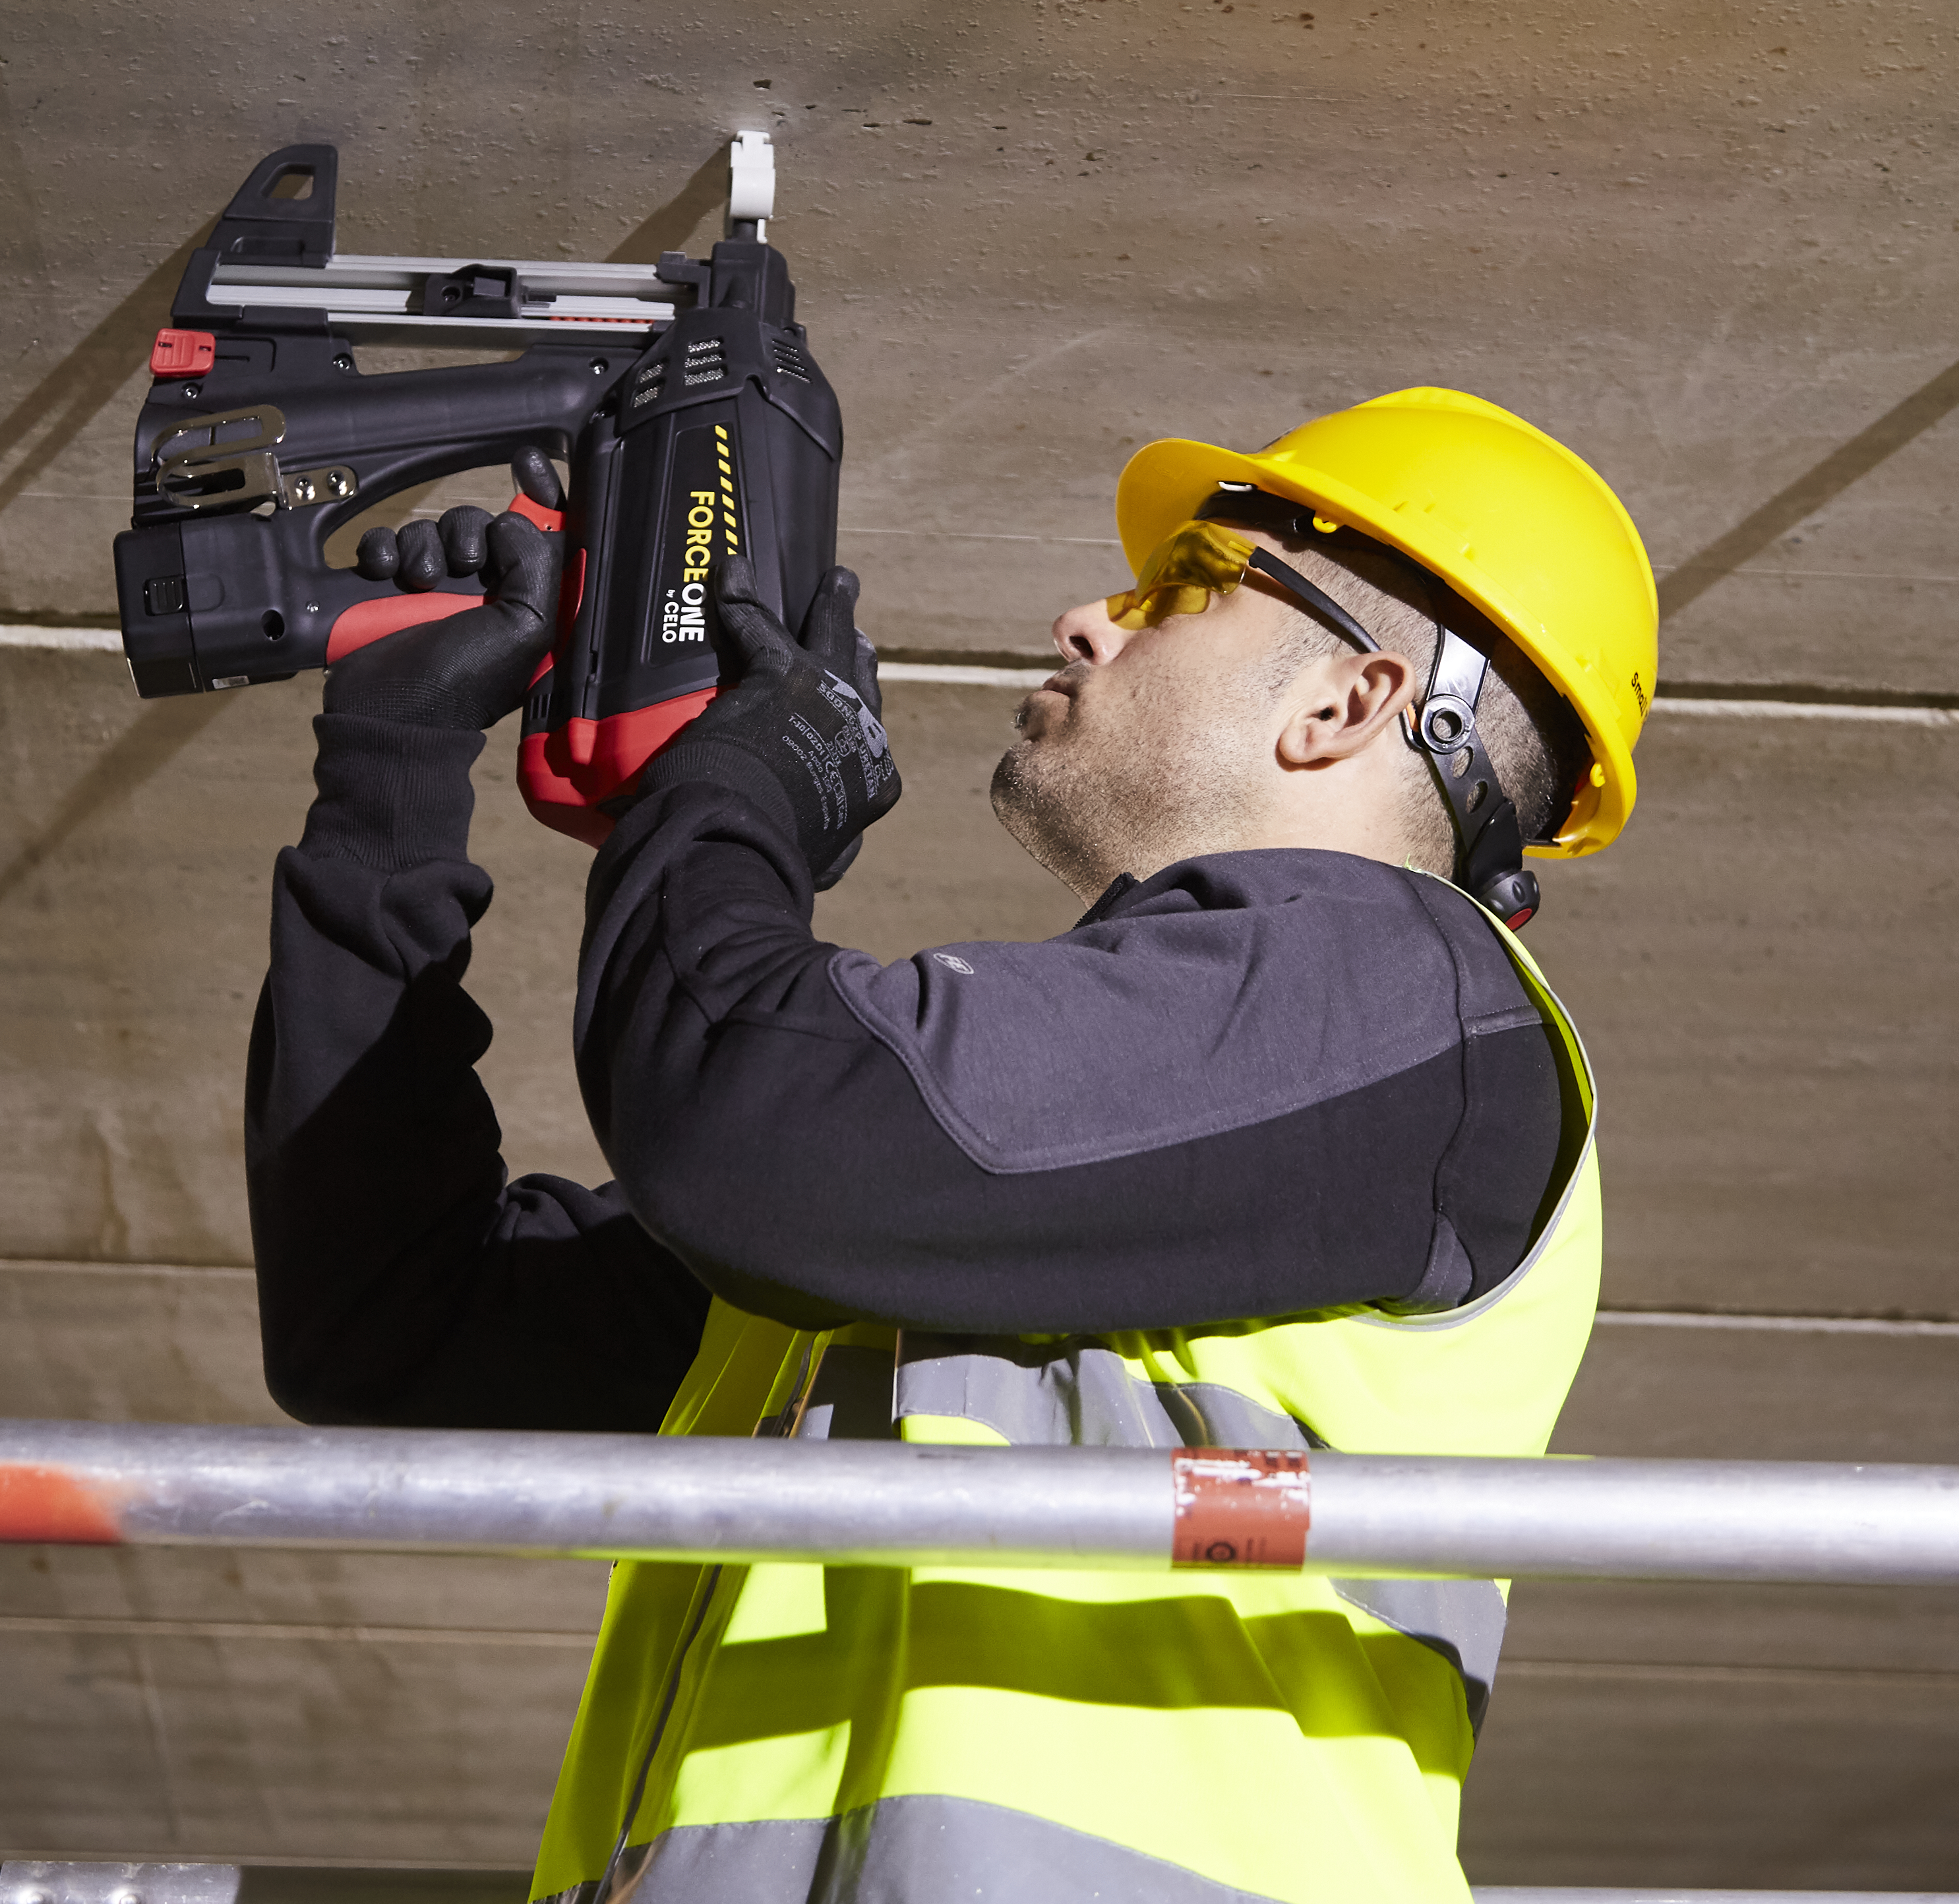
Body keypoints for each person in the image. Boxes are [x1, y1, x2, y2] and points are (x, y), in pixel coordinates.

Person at [249, 386, 1660, 1904]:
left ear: (1347, 703)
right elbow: (391, 1324)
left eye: (1182, 588)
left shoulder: (1406, 995)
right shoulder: (930, 1219)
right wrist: (392, 779)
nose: (1085, 620)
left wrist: (730, 782)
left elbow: (749, 1122)